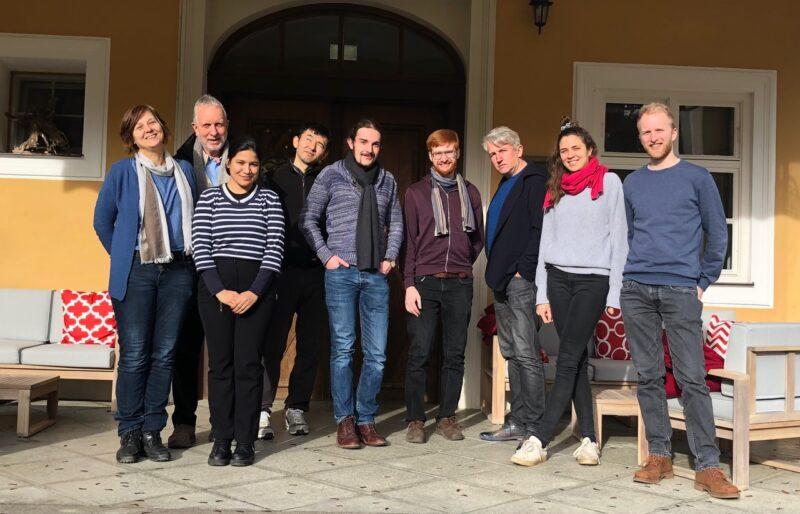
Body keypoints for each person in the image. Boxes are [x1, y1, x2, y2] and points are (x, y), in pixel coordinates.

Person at [622, 102, 738, 499]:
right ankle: (659, 455)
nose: (653, 138)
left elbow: (716, 234)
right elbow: (628, 235)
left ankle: (707, 465)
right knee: (649, 375)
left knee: (691, 377)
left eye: (659, 130)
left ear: (673, 132)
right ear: (640, 137)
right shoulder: (632, 183)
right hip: (636, 288)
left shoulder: (697, 178)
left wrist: (703, 281)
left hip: (680, 290)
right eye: (645, 132)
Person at [511, 119, 627, 466]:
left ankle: (538, 438)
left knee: (569, 355)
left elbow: (620, 240)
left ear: (589, 149)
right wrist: (542, 294)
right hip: (558, 279)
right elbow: (546, 242)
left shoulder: (609, 183)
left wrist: (614, 295)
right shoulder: (556, 187)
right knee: (573, 360)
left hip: (594, 280)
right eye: (564, 151)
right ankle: (589, 439)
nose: (571, 155)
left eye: (576, 148)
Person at [93, 104, 198, 464]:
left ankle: (153, 431)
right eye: (139, 126)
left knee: (164, 355)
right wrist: (127, 255)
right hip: (137, 271)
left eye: (152, 122)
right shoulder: (122, 171)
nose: (148, 128)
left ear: (163, 127)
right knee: (135, 355)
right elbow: (102, 221)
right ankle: (130, 433)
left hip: (179, 272)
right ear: (131, 136)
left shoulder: (184, 170)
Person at [300, 118, 403, 449]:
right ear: (351, 143)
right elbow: (308, 219)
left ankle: (366, 419)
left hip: (375, 276)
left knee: (376, 354)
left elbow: (396, 223)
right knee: (343, 349)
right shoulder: (331, 175)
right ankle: (345, 422)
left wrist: (390, 258)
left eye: (375, 144)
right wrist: (327, 256)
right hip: (341, 273)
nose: (369, 149)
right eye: (363, 142)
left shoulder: (387, 181)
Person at [192, 136, 285, 466]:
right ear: (228, 164)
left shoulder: (269, 201)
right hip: (215, 290)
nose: (247, 169)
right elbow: (201, 249)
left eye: (254, 164)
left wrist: (252, 293)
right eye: (241, 163)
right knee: (220, 368)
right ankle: (221, 440)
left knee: (248, 366)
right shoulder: (210, 200)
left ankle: (245, 442)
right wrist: (221, 291)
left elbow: (274, 251)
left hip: (255, 291)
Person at [402, 129, 484, 443]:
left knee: (455, 353)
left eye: (449, 151)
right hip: (424, 283)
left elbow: (478, 240)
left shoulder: (472, 193)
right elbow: (408, 242)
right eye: (438, 153)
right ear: (430, 156)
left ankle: (447, 417)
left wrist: (462, 264)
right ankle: (414, 420)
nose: (444, 158)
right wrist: (409, 283)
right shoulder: (416, 193)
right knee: (420, 351)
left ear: (458, 152)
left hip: (460, 284)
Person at [259, 122, 331, 439]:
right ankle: (262, 408)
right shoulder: (273, 177)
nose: (312, 146)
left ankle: (296, 407)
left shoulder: (327, 180)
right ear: (295, 141)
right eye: (308, 139)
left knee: (310, 345)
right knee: (272, 343)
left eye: (319, 144)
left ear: (324, 152)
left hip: (317, 273)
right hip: (281, 271)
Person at [168, 94, 231, 449]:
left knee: (228, 352)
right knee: (186, 349)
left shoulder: (243, 162)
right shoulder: (177, 165)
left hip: (230, 270)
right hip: (190, 270)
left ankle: (227, 423)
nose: (213, 131)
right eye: (206, 125)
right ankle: (185, 423)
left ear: (227, 125)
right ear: (194, 128)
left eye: (219, 124)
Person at [479, 126, 547, 443]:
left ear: (518, 149)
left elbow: (539, 228)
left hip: (520, 281)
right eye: (492, 154)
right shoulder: (506, 183)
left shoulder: (533, 181)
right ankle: (517, 421)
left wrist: (524, 270)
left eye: (501, 151)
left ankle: (533, 427)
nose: (497, 158)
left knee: (526, 352)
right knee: (511, 353)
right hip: (501, 279)